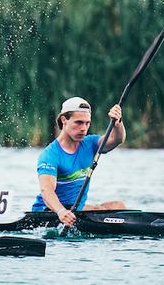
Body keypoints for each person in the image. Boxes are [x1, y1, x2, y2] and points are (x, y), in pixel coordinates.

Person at [32, 96, 127, 226]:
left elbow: (116, 140)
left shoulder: (91, 144)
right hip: (49, 213)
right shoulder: (50, 155)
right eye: (79, 122)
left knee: (118, 206)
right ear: (64, 120)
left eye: (87, 123)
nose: (84, 128)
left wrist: (118, 122)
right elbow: (46, 190)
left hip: (76, 210)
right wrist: (61, 212)